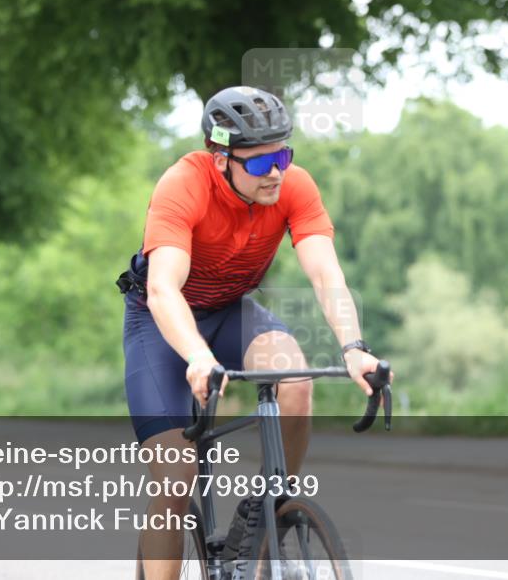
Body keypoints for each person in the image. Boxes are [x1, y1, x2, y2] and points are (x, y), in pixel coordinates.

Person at [118, 86, 390, 579]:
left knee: (296, 380)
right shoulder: (184, 185)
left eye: (282, 155)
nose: (277, 173)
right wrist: (198, 357)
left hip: (231, 310)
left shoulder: (294, 187)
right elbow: (162, 289)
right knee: (177, 479)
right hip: (160, 323)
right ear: (220, 159)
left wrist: (353, 348)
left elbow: (327, 277)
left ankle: (261, 517)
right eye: (260, 164)